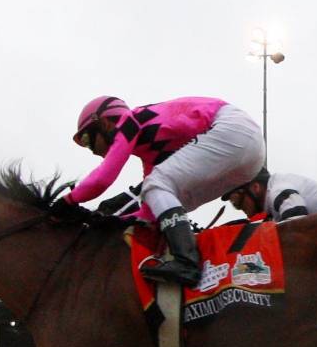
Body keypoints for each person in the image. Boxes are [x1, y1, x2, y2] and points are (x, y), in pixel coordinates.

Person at [64, 95, 267, 286]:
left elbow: (103, 177)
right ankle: (192, 264)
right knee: (166, 197)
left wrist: (67, 202)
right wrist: (116, 221)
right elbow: (149, 211)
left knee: (156, 186)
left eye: (88, 141)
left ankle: (187, 262)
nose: (91, 150)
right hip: (250, 157)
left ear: (105, 123)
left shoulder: (129, 120)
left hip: (233, 130)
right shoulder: (151, 151)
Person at [222, 168, 317, 223]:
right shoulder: (274, 197)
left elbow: (297, 227)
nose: (243, 211)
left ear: (255, 188)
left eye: (239, 204)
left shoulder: (278, 191)